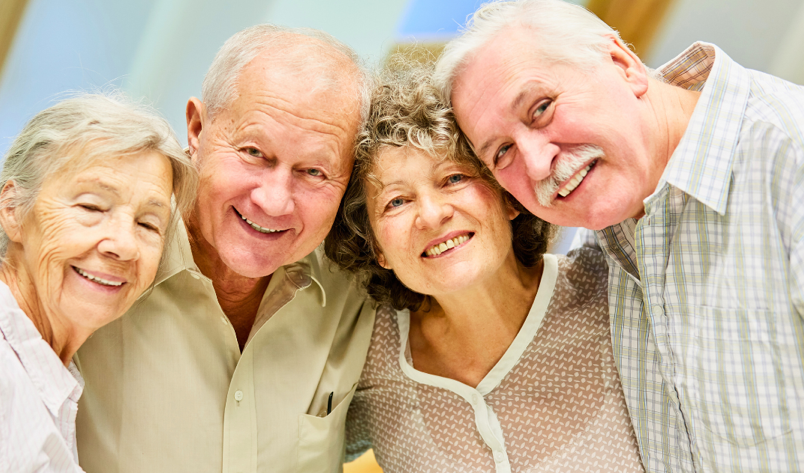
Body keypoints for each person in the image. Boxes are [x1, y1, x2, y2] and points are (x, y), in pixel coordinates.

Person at [434, 0, 804, 471]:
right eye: (502, 151)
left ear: (622, 65)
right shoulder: (605, 236)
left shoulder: (791, 159)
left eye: (541, 109)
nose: (537, 162)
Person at [75, 25, 375, 473]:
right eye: (254, 152)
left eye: (313, 171)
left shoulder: (360, 292)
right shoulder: (92, 257)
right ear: (196, 129)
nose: (274, 201)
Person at [323, 65, 646, 473]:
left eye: (453, 178)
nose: (432, 214)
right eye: (396, 202)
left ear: (509, 195)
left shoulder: (613, 293)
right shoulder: (366, 354)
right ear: (376, 248)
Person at [0, 93, 197, 472]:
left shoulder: (35, 372)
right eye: (91, 207)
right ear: (13, 210)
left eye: (147, 224)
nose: (124, 244)